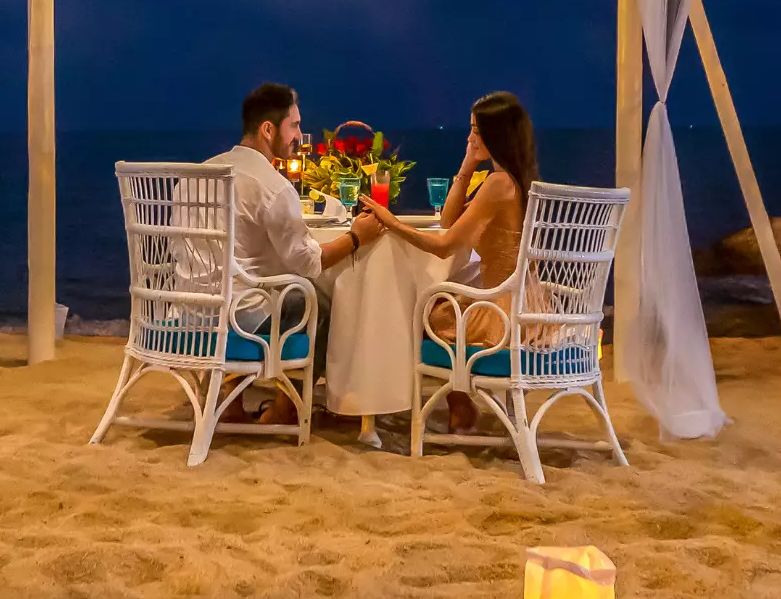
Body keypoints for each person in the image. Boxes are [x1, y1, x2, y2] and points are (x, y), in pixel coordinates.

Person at [360, 90, 535, 432]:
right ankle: (460, 407)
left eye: (476, 131)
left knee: (424, 311)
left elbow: (443, 244)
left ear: (496, 135)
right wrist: (468, 164)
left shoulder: (499, 184)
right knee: (439, 304)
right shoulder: (511, 180)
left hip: (502, 312)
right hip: (521, 303)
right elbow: (450, 218)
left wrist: (390, 221)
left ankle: (454, 404)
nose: (470, 137)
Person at [207, 82, 380, 423]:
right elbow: (309, 263)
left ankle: (230, 401)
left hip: (190, 316)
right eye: (295, 126)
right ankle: (284, 409)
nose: (300, 136)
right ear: (268, 129)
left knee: (265, 286)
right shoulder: (271, 185)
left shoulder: (201, 174)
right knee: (326, 299)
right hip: (236, 319)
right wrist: (356, 237)